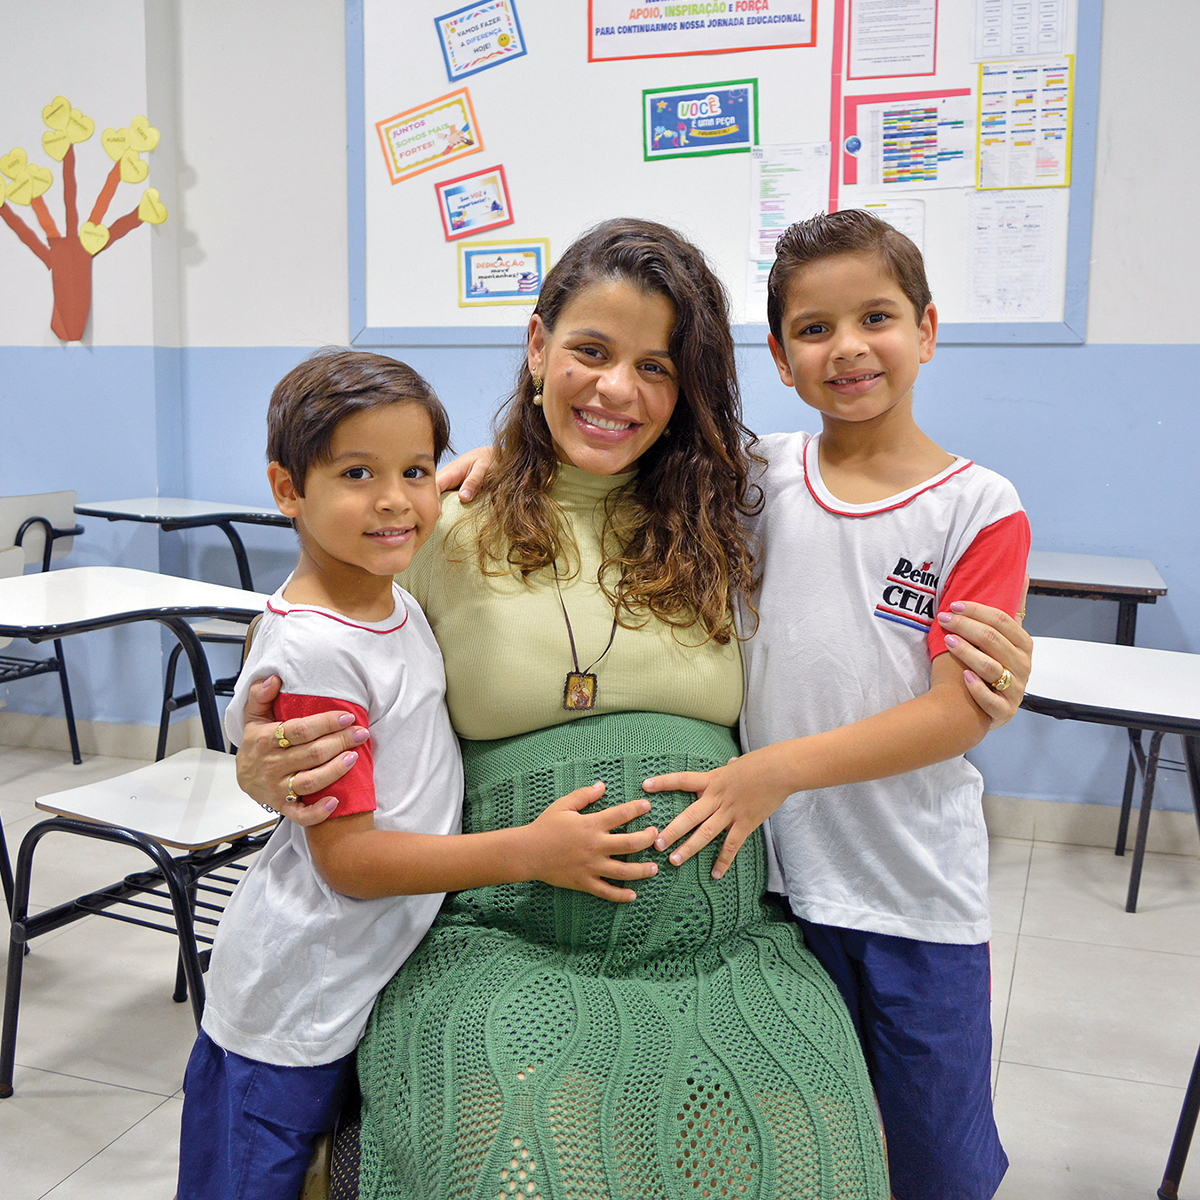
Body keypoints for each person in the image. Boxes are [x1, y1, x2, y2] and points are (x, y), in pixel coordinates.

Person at [235, 220, 1032, 1200]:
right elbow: (315, 634)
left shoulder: (733, 510)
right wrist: (257, 757)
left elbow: (876, 557)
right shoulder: (437, 519)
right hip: (507, 937)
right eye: (590, 352)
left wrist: (987, 667)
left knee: (813, 1164)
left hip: (725, 946)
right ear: (537, 349)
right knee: (519, 1168)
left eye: (655, 367)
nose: (617, 390)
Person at [176, 349, 660, 1200]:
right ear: (287, 490)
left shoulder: (383, 589)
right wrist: (531, 852)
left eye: (415, 470)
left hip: (356, 972)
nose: (397, 499)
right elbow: (349, 862)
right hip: (296, 998)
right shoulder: (320, 651)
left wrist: (500, 455)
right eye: (357, 473)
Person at [642, 210, 1028, 1200]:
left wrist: (775, 770)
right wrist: (468, 470)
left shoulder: (977, 507)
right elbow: (603, 471)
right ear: (778, 356)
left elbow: (959, 712)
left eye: (878, 317)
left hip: (912, 898)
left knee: (934, 1160)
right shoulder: (759, 478)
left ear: (928, 330)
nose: (848, 347)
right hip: (773, 892)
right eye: (814, 329)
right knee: (803, 1145)